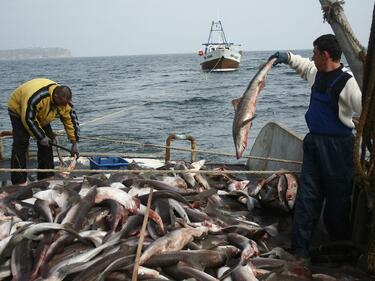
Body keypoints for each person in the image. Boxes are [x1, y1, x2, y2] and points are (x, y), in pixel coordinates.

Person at [268, 34, 362, 263]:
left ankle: (340, 251)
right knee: (307, 196)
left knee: (338, 200)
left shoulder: (348, 82)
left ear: (326, 55)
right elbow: (304, 66)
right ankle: (300, 250)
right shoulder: (316, 72)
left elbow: (365, 109)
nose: (312, 56)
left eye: (315, 52)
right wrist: (287, 57)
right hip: (314, 144)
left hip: (339, 148)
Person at [7, 78, 80, 185]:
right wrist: (41, 137)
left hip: (42, 113)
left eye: (65, 104)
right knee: (21, 142)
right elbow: (28, 119)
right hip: (18, 109)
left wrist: (74, 142)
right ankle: (19, 181)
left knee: (48, 141)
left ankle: (45, 176)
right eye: (60, 104)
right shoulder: (37, 98)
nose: (62, 107)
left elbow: (70, 120)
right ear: (55, 97)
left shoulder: (63, 102)